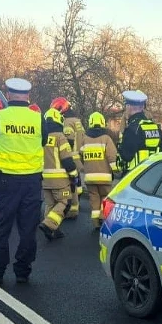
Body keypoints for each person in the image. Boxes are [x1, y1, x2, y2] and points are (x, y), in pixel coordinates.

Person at [0, 78, 44, 284]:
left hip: (6, 182)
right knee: (28, 229)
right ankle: (22, 270)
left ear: (8, 95)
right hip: (32, 182)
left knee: (1, 228)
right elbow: (43, 141)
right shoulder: (38, 119)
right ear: (28, 96)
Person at [40, 106, 81, 240]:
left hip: (45, 179)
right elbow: (67, 159)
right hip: (60, 179)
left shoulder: (42, 138)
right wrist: (74, 174)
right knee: (65, 202)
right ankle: (48, 224)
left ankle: (53, 230)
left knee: (50, 204)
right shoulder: (60, 137)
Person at [81, 111, 119, 228]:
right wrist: (116, 170)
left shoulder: (84, 138)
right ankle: (103, 219)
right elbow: (112, 156)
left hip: (89, 178)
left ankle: (95, 223)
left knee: (94, 199)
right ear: (102, 122)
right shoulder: (106, 138)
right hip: (104, 177)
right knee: (106, 198)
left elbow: (81, 155)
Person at [117, 90, 162, 174]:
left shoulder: (132, 129)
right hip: (155, 175)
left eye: (126, 106)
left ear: (129, 107)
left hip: (134, 176)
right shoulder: (156, 128)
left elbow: (126, 156)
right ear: (142, 107)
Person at [53, 97, 85, 220]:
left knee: (71, 183)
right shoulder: (77, 121)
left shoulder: (66, 122)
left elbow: (68, 141)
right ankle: (76, 206)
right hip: (79, 156)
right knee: (78, 183)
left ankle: (71, 208)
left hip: (70, 156)